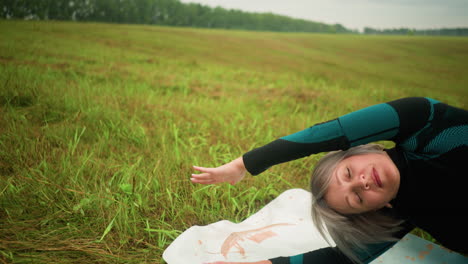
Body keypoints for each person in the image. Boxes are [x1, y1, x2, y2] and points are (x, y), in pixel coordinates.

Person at [191, 97, 468, 263]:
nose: (360, 183)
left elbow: (329, 132)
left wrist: (244, 164)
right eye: (357, 198)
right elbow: (340, 259)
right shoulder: (401, 214)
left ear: (356, 150)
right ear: (377, 208)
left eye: (347, 173)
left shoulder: (423, 123)